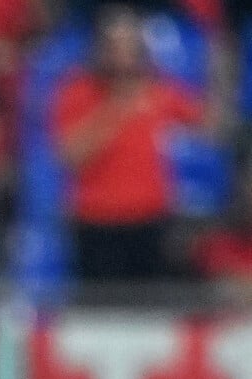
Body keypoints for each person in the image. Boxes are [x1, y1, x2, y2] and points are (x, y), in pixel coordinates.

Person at [51, 3, 211, 286]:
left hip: (151, 220)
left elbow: (207, 125)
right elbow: (70, 156)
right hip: (96, 222)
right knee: (103, 313)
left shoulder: (158, 90)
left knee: (149, 313)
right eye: (114, 45)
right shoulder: (76, 92)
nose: (122, 54)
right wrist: (117, 109)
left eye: (128, 44)